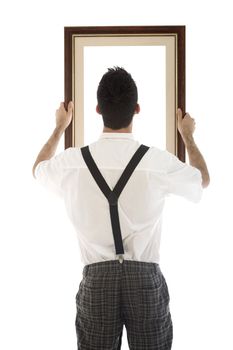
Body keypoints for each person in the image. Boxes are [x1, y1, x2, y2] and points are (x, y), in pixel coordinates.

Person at [32, 66, 210, 349]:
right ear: (137, 109)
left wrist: (60, 127)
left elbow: (38, 169)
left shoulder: (73, 162)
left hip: (97, 279)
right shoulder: (156, 161)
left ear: (97, 109)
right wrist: (186, 135)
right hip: (145, 280)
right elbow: (202, 179)